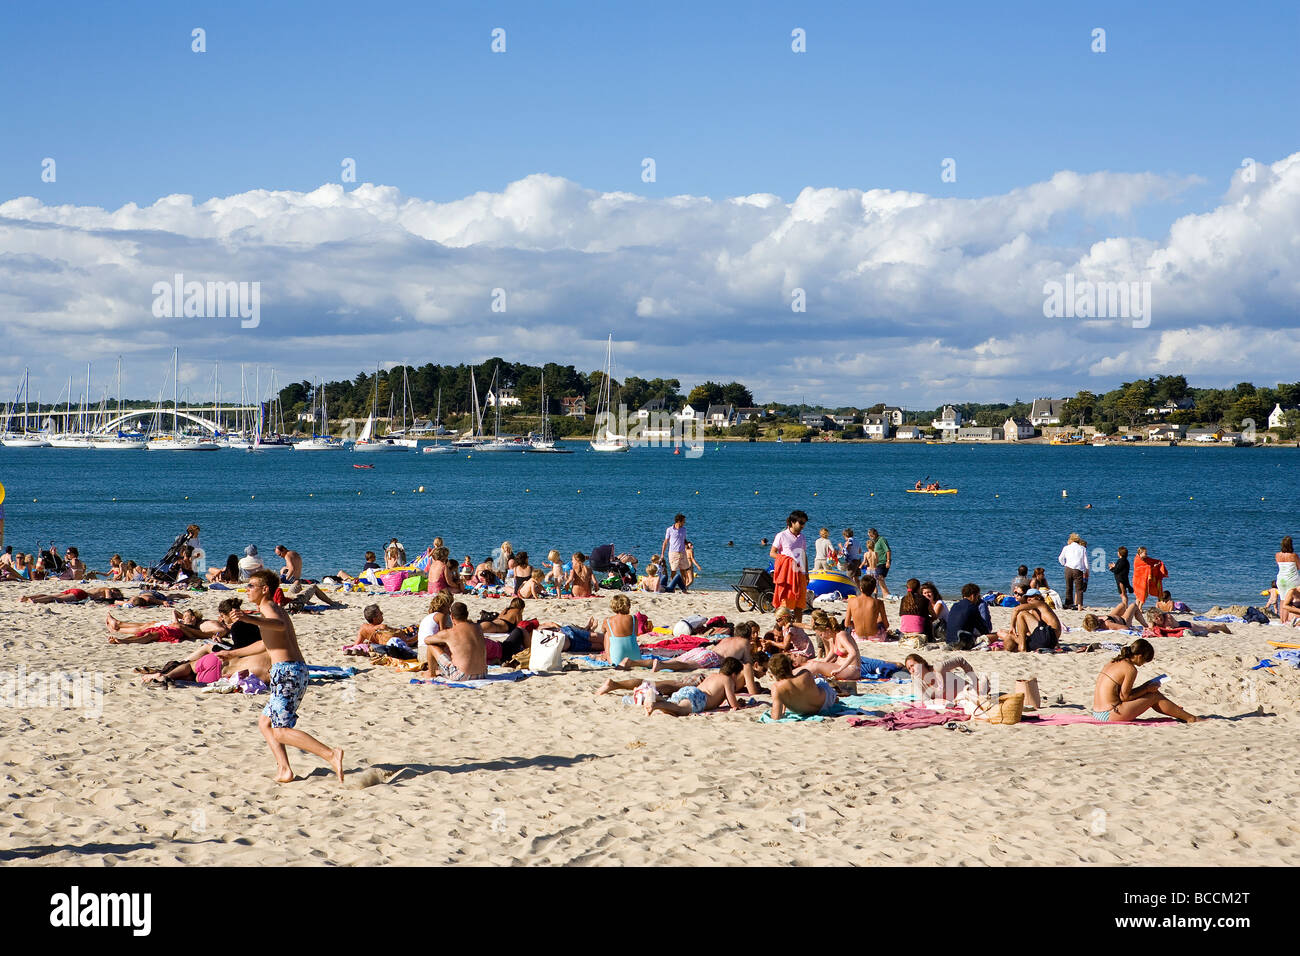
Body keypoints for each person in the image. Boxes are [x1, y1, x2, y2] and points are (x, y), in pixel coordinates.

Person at [1092, 639, 1199, 723]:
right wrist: (1147, 689)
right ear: (1139, 656)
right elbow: (1125, 697)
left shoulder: (1114, 662)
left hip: (1097, 712)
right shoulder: (1130, 669)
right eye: (1145, 660)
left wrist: (1145, 687)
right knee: (1154, 696)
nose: (1144, 663)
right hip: (1109, 714)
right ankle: (1190, 718)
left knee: (1150, 691)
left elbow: (1121, 694)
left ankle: (1178, 713)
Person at [644, 658, 746, 716]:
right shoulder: (728, 680)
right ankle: (656, 705)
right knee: (680, 710)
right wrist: (738, 704)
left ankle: (656, 697)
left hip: (691, 690)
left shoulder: (712, 676)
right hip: (700, 698)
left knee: (673, 705)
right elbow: (733, 704)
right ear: (734, 675)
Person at [425, 602, 488, 681]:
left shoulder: (450, 632)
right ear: (467, 614)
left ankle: (431, 674)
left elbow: (427, 640)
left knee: (431, 646)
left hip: (462, 675)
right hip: (483, 674)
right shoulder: (478, 628)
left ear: (451, 616)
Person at [767, 652, 839, 718]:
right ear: (790, 666)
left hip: (802, 711)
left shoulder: (777, 688)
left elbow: (776, 717)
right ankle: (835, 697)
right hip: (825, 703)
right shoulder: (805, 673)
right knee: (819, 681)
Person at [796, 610, 861, 680]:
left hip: (851, 669)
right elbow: (829, 656)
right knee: (811, 663)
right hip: (839, 666)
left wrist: (839, 670)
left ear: (828, 630)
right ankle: (791, 674)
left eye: (821, 634)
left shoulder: (841, 635)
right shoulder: (833, 638)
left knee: (816, 666)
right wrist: (816, 662)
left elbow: (853, 653)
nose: (821, 637)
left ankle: (793, 676)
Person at [770, 510, 809, 621]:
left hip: (800, 573)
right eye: (800, 523)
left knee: (799, 604)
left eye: (804, 523)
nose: (803, 526)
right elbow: (772, 553)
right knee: (785, 603)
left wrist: (806, 573)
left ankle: (798, 629)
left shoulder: (802, 537)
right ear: (792, 522)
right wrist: (786, 560)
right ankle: (781, 628)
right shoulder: (781, 535)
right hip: (787, 575)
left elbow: (803, 555)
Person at [904, 653, 983, 703]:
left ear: (921, 662)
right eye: (909, 669)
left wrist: (975, 681)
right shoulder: (916, 680)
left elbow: (960, 660)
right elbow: (925, 701)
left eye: (913, 665)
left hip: (970, 692)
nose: (912, 670)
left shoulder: (939, 668)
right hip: (956, 702)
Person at [943, 583, 991, 650]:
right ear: (972, 596)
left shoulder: (954, 605)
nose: (977, 599)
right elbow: (983, 629)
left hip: (949, 641)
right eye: (977, 596)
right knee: (994, 636)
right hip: (963, 643)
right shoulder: (972, 607)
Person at [601, 594, 643, 666]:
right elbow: (635, 634)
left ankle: (608, 656)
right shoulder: (634, 618)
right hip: (635, 657)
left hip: (617, 659)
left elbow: (602, 630)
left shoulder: (608, 621)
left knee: (607, 634)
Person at [844, 575, 889, 641]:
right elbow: (886, 625)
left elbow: (846, 624)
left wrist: (855, 624)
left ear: (861, 588)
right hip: (875, 637)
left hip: (857, 637)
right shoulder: (878, 602)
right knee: (880, 619)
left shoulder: (851, 601)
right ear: (874, 589)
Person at [417, 592, 453, 665]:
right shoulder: (441, 616)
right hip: (430, 652)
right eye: (448, 607)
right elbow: (443, 636)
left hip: (421, 653)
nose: (449, 611)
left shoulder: (429, 617)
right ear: (443, 607)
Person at [1058, 533, 1090, 610]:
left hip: (1068, 568)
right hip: (1078, 570)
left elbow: (1060, 558)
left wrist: (1064, 564)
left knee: (1069, 587)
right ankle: (1079, 606)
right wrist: (1086, 570)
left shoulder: (1066, 547)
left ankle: (1069, 604)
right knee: (1079, 589)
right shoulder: (1082, 548)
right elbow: (1085, 562)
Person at [659, 514, 689, 593]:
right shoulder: (669, 529)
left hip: (682, 552)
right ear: (679, 521)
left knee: (683, 571)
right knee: (673, 571)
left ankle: (684, 588)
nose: (684, 523)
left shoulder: (684, 529)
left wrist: (688, 543)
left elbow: (684, 540)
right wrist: (662, 554)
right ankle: (672, 588)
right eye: (683, 521)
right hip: (673, 553)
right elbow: (665, 542)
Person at [898, 579, 933, 643]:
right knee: (928, 619)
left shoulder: (903, 599)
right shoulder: (924, 599)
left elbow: (901, 614)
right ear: (919, 588)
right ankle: (931, 639)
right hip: (919, 632)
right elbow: (933, 615)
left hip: (903, 631)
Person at [1082, 599, 1148, 632]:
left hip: (1114, 618)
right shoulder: (1108, 623)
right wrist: (1133, 628)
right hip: (1124, 621)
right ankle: (1145, 625)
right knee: (1134, 606)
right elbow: (1125, 628)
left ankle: (1127, 612)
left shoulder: (1098, 619)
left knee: (1122, 605)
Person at [21, 586, 123, 604]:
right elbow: (109, 599)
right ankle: (35, 601)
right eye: (117, 594)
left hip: (77, 590)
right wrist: (117, 599)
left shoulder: (100, 588)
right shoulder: (107, 589)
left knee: (51, 595)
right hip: (81, 594)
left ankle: (28, 597)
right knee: (55, 598)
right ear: (115, 590)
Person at [866, 528, 892, 598]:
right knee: (880, 579)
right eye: (869, 536)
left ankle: (886, 593)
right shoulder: (874, 542)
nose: (870, 538)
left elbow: (888, 551)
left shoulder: (881, 540)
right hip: (877, 563)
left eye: (871, 536)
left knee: (879, 578)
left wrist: (888, 561)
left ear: (875, 534)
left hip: (883, 562)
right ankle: (885, 593)